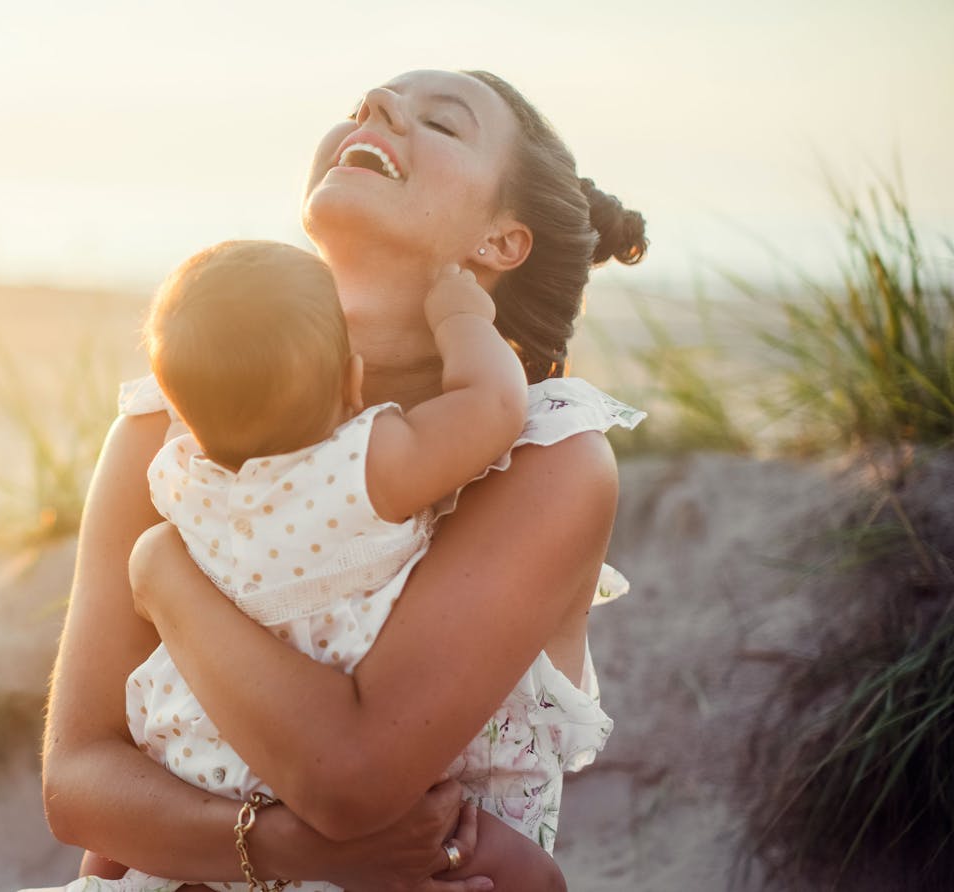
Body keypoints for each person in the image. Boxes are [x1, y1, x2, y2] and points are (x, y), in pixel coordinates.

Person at [40, 69, 649, 891]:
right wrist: (288, 851)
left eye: (441, 122)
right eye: (365, 105)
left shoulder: (548, 462)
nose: (376, 108)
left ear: (501, 241)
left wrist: (164, 573)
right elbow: (78, 786)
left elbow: (349, 776)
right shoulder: (165, 430)